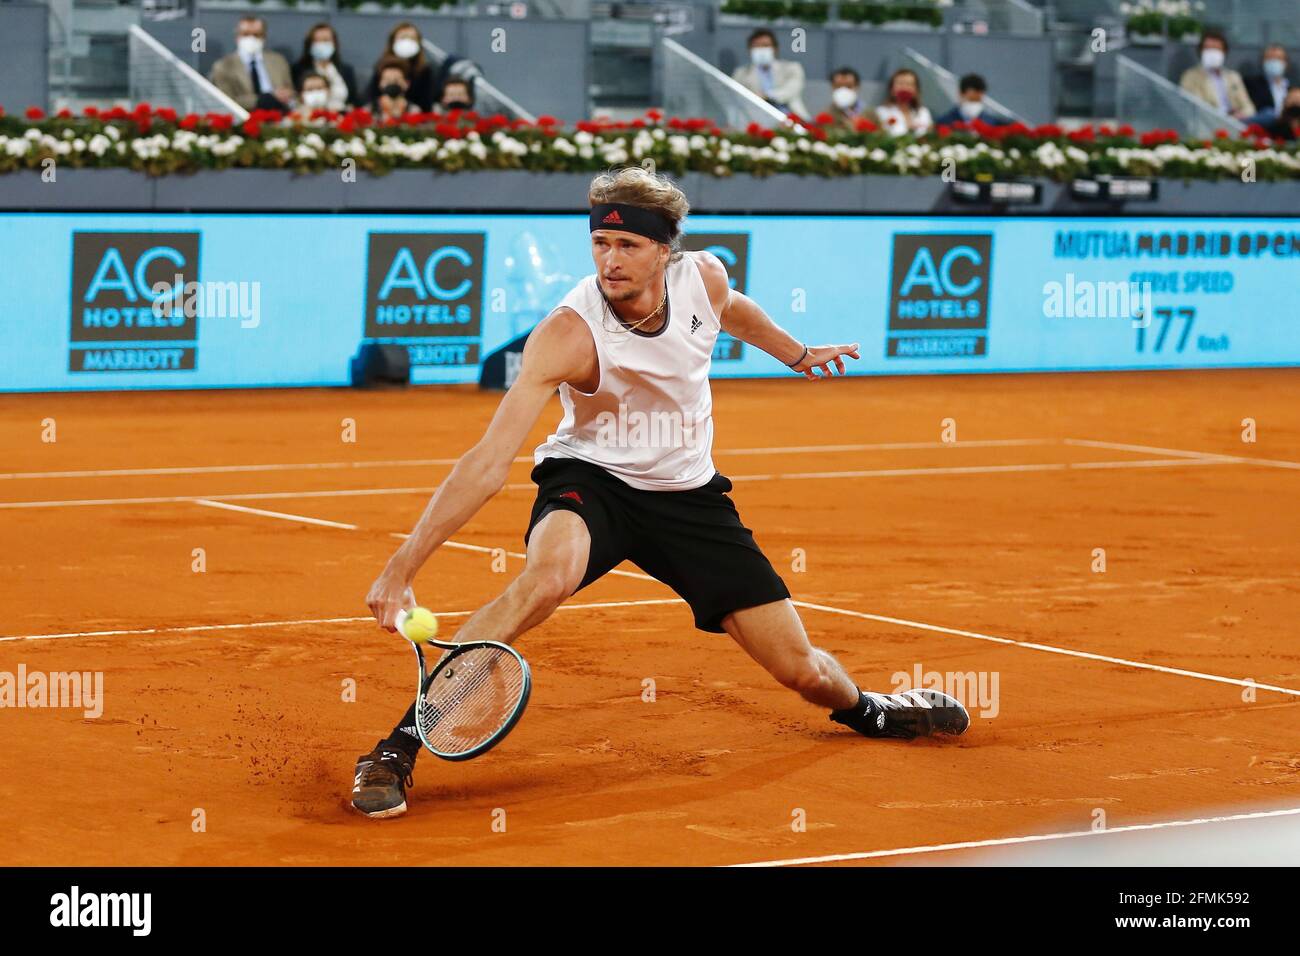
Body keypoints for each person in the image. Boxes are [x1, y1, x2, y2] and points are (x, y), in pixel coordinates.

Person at [351, 166, 970, 819]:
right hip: (593, 481)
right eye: (599, 244)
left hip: (689, 497)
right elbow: (486, 462)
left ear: (665, 251)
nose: (609, 261)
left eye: (628, 247)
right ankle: (399, 745)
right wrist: (402, 567)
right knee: (545, 577)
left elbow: (734, 311)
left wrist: (798, 353)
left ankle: (868, 710)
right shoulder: (568, 334)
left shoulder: (703, 277)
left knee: (801, 671)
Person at [208, 16, 294, 113]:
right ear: (237, 37)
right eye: (246, 34)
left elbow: (290, 92)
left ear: (264, 37)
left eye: (256, 35)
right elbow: (226, 100)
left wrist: (287, 96)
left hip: (279, 115)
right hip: (244, 118)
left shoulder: (278, 61)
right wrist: (265, 99)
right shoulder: (223, 66)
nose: (251, 38)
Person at [731, 28, 809, 119]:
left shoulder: (792, 68)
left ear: (775, 49)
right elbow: (735, 99)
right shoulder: (742, 73)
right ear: (750, 50)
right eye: (756, 46)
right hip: (756, 119)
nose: (761, 49)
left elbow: (790, 90)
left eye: (765, 45)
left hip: (790, 118)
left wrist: (767, 96)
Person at [1179, 28, 1255, 120]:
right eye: (1208, 48)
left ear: (1224, 52)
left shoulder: (1233, 76)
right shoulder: (1190, 76)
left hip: (1237, 122)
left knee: (1267, 115)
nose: (1212, 52)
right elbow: (1194, 108)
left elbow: (1249, 107)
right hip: (1210, 124)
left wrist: (1241, 114)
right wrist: (1225, 116)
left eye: (1216, 49)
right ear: (1200, 51)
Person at [365, 22, 438, 113]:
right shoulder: (381, 66)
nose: (407, 42)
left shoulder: (425, 70)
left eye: (412, 38)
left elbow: (427, 104)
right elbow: (371, 96)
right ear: (393, 41)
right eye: (403, 37)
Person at [291, 22, 359, 113]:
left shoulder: (346, 70)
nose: (321, 44)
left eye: (326, 40)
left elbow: (354, 100)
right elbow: (295, 98)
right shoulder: (299, 69)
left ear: (334, 43)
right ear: (310, 44)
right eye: (317, 40)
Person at [933, 73, 1012, 127]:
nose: (973, 104)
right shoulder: (945, 121)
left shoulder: (992, 123)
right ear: (961, 93)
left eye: (978, 98)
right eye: (971, 99)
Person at [876, 68, 932, 137]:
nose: (904, 88)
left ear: (916, 90)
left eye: (909, 84)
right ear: (891, 89)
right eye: (900, 84)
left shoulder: (923, 112)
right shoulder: (881, 112)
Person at [1244, 44, 1291, 124]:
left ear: (1286, 63)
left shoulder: (1292, 88)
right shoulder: (1251, 84)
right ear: (1262, 62)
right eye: (1269, 58)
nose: (1274, 61)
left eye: (1278, 58)